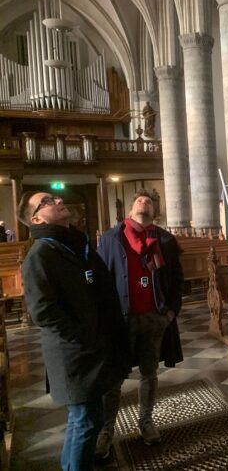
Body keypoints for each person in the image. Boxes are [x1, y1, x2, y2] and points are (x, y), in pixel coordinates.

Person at [18, 191, 128, 470]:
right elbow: (43, 312)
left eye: (55, 197)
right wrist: (85, 337)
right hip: (74, 353)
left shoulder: (76, 245)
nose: (57, 201)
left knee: (87, 419)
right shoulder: (41, 254)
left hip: (95, 347)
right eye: (47, 202)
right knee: (85, 421)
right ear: (36, 218)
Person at [95, 189, 184, 458]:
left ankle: (146, 421)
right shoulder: (111, 238)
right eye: (138, 200)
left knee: (149, 373)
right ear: (130, 209)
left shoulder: (165, 240)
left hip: (154, 317)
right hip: (121, 319)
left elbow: (177, 278)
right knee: (114, 377)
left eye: (148, 201)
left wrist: (170, 312)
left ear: (155, 211)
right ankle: (106, 430)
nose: (143, 202)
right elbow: (100, 280)